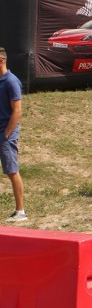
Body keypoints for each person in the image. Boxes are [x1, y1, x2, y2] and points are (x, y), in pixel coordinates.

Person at [0, 48, 26, 222]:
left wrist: (6, 134)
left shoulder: (11, 81)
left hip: (5, 132)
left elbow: (17, 111)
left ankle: (20, 211)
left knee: (11, 171)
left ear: (1, 60)